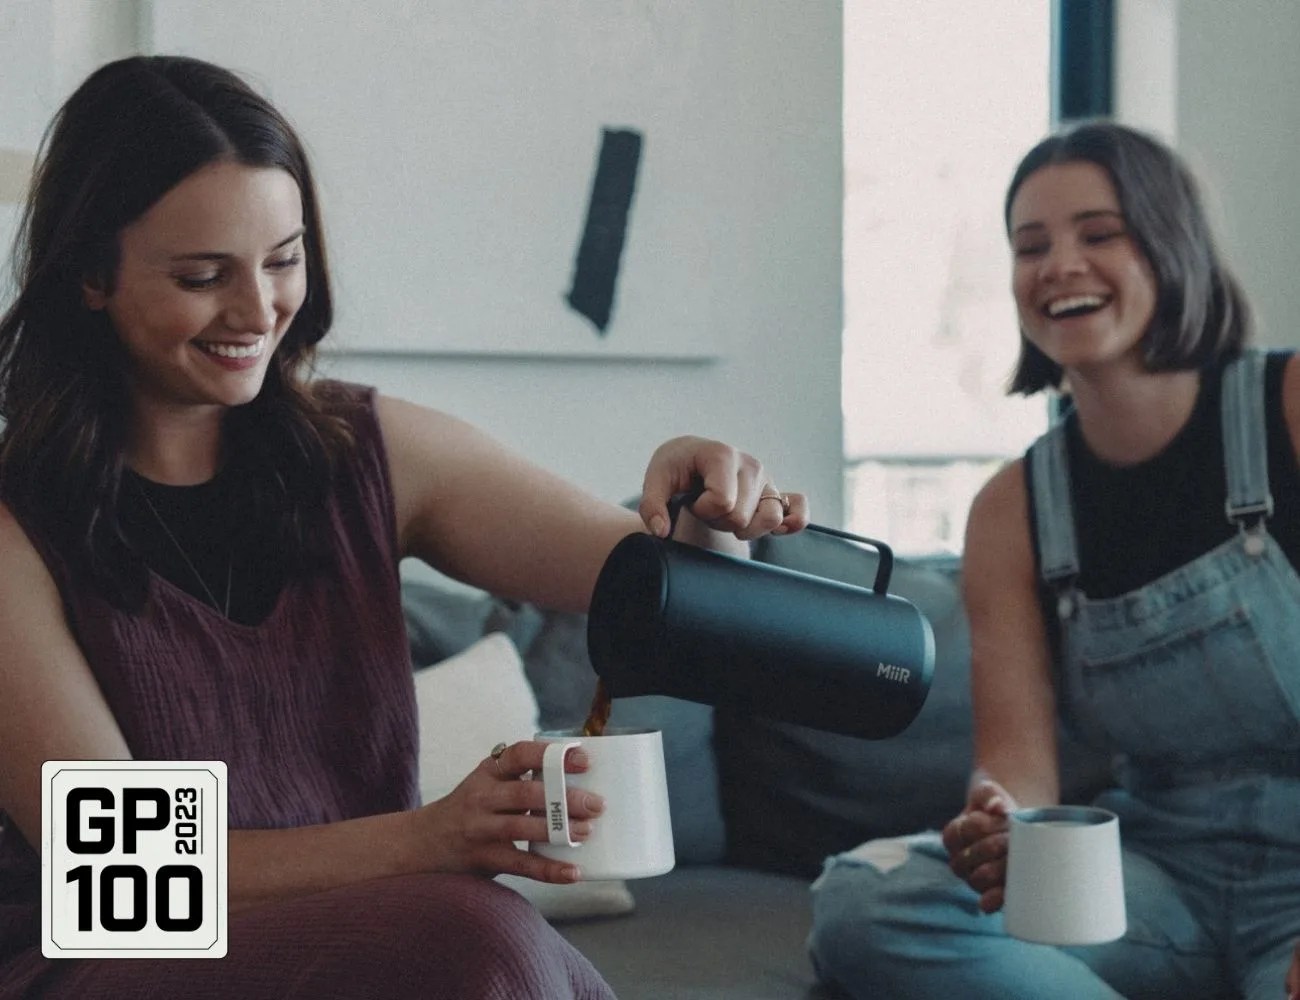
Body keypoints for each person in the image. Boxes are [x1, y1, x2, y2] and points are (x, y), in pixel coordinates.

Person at [0, 55, 809, 1000]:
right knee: (471, 936)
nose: (258, 310)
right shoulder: (18, 526)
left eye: (283, 259)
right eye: (202, 275)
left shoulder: (369, 452)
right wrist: (429, 839)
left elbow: (672, 595)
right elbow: (123, 882)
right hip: (112, 962)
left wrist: (706, 508)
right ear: (91, 274)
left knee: (475, 937)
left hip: (379, 944)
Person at [806, 120, 1300, 999]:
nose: (1059, 265)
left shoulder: (1288, 406)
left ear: (1172, 245)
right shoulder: (1012, 509)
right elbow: (1017, 764)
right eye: (1030, 247)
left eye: (1099, 234)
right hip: (1148, 881)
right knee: (867, 900)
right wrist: (1003, 817)